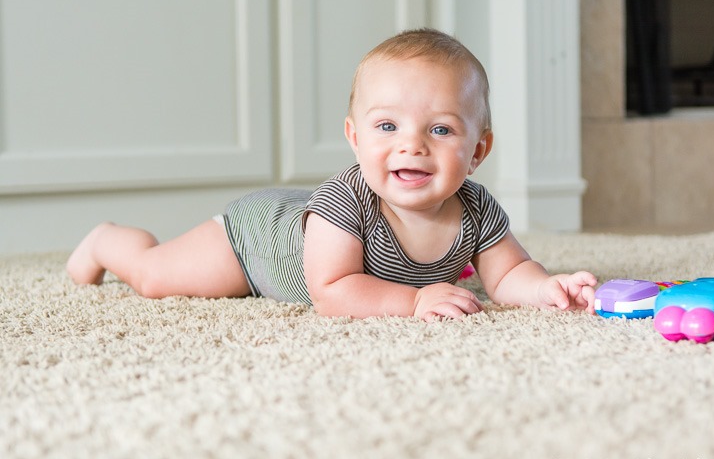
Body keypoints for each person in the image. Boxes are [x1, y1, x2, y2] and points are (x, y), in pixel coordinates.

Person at [67, 28, 597, 321]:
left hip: (294, 227)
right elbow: (333, 291)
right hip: (257, 243)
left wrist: (547, 288)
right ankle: (107, 242)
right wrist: (415, 299)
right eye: (387, 125)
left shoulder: (477, 209)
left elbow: (506, 276)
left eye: (440, 130)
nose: (410, 144)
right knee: (157, 278)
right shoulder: (348, 200)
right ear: (355, 138)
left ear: (478, 150)